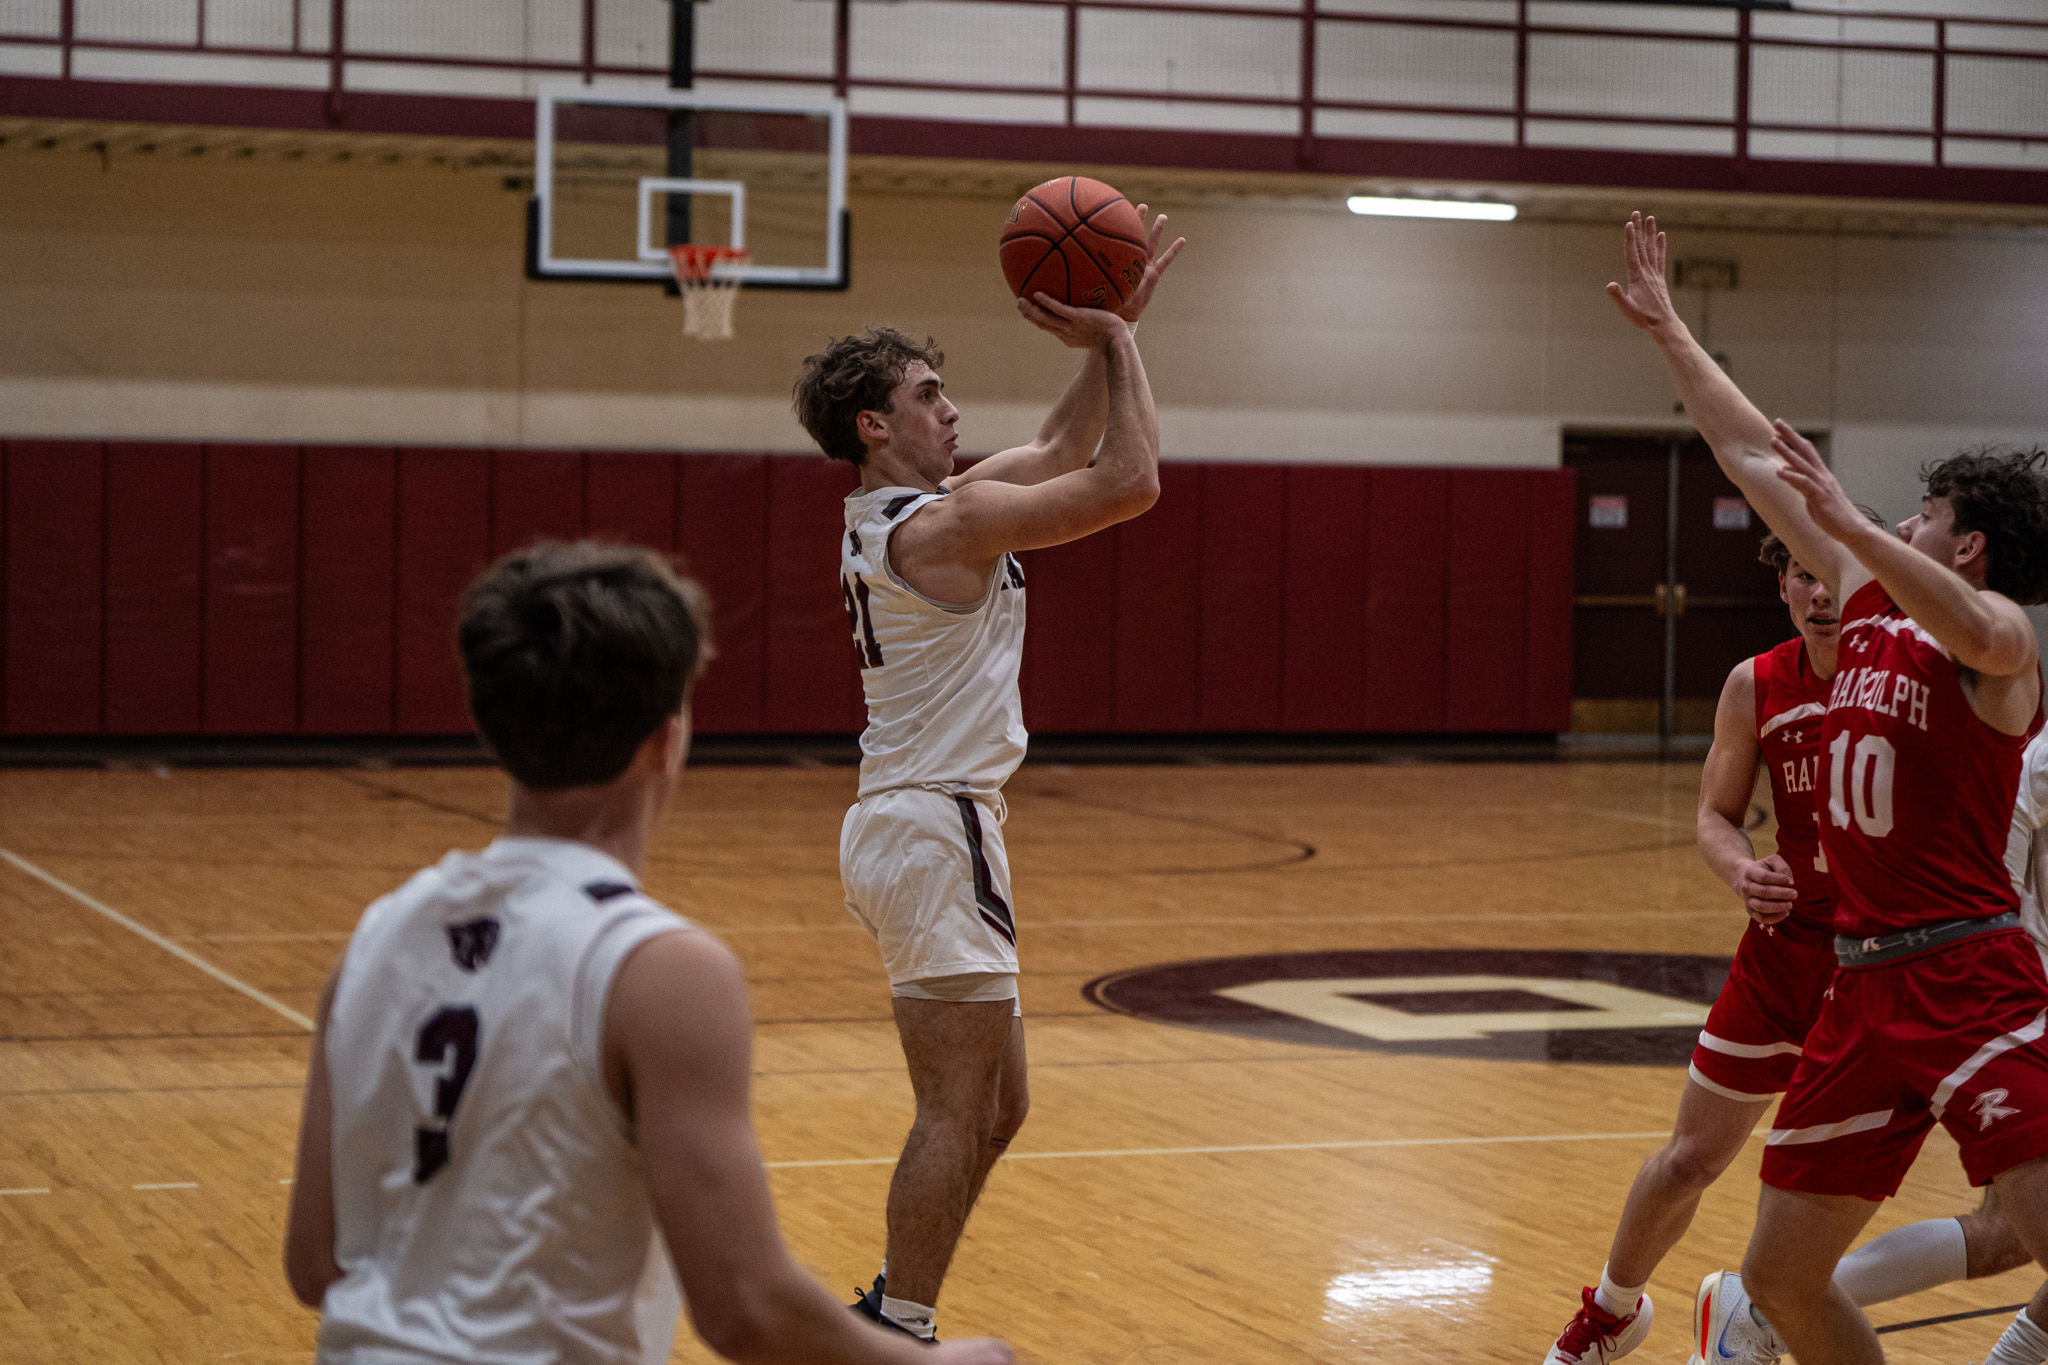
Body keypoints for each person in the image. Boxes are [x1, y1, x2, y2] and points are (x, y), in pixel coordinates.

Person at [282, 541, 1012, 1365]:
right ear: (667, 740)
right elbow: (743, 1307)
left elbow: (316, 1262)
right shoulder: (661, 971)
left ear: (492, 727)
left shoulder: (375, 937)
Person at [1608, 211, 2048, 1365]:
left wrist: (1854, 525)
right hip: (1856, 990)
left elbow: (1988, 640)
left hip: (1968, 974)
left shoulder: (1993, 637)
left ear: (1968, 547)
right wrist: (1670, 337)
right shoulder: (1861, 594)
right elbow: (1750, 452)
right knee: (1778, 1284)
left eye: (1927, 515)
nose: (1900, 521)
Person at [790, 211, 1183, 1341]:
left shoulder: (921, 513)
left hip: (925, 826)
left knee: (1000, 1106)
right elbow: (1129, 482)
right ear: (874, 423)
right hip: (930, 829)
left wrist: (1113, 335)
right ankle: (898, 1329)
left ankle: (896, 1312)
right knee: (956, 1111)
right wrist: (1116, 345)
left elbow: (1066, 453)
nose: (950, 406)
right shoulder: (940, 527)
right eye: (926, 394)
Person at [1540, 531, 1847, 1364]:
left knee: (1827, 1184)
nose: (1820, 592)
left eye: (1835, 574)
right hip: (1781, 952)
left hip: (1872, 961)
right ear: (1782, 588)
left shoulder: (1898, 680)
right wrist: (1745, 872)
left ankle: (1757, 1311)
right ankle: (1613, 1311)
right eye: (1802, 575)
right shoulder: (1756, 683)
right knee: (1690, 1157)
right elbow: (1715, 815)